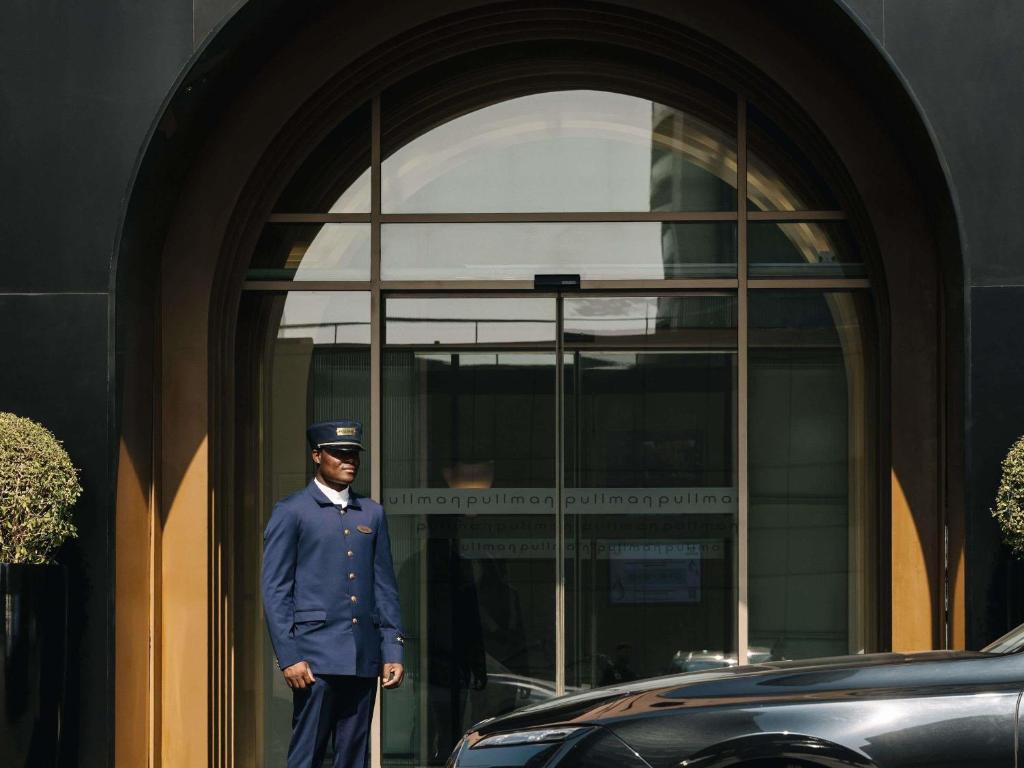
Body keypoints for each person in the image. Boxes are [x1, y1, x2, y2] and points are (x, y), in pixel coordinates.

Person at [262, 419, 404, 768]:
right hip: (314, 660)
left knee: (354, 757)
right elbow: (275, 589)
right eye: (339, 454)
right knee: (307, 755)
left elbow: (385, 587)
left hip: (362, 656)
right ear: (317, 455)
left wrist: (392, 650)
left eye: (354, 454)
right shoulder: (292, 511)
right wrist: (289, 655)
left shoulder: (372, 512)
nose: (349, 461)